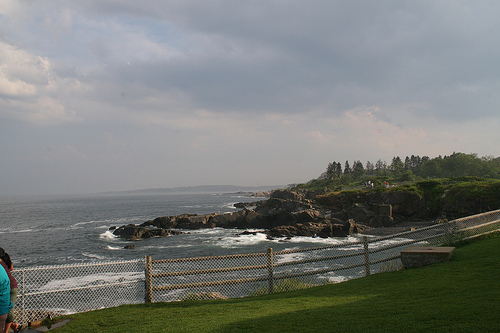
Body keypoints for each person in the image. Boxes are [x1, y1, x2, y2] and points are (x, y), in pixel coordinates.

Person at [0, 249, 17, 333]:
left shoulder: (3, 263)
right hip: (7, 287)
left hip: (11, 287)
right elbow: (12, 268)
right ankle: (13, 326)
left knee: (9, 312)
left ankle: (6, 331)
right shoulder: (5, 261)